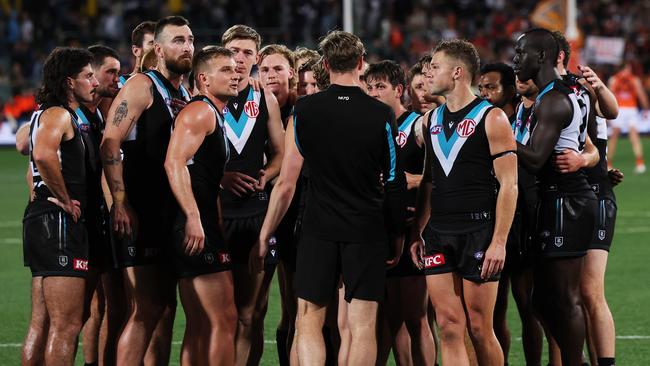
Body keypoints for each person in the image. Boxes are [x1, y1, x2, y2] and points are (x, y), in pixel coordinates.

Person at [250, 30, 407, 366]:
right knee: (362, 324)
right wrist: (396, 233)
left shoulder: (305, 110)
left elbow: (286, 183)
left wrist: (265, 234)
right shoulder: (381, 114)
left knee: (308, 319)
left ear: (324, 64)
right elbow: (394, 179)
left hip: (318, 228)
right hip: (366, 230)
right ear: (361, 63)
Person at [410, 40, 518, 366]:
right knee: (449, 326)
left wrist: (499, 242)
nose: (429, 73)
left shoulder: (492, 117)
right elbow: (430, 181)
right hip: (439, 230)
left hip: (479, 231)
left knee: (480, 327)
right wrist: (419, 231)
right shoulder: (431, 121)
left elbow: (509, 184)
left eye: (435, 67)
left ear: (457, 73)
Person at [100, 15, 193, 365]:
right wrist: (120, 203)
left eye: (190, 40)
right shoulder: (142, 85)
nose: (187, 47)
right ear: (158, 49)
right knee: (145, 308)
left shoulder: (182, 91)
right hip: (143, 210)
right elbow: (110, 143)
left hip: (170, 213)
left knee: (166, 308)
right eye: (178, 41)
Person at [513, 28, 598, 366]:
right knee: (543, 300)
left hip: (566, 200)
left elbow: (534, 159)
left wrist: (497, 133)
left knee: (564, 298)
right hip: (560, 198)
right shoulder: (567, 92)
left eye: (522, 53)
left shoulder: (552, 99)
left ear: (543, 57)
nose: (516, 59)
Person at [164, 46, 240, 366]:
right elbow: (173, 162)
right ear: (204, 79)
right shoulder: (201, 111)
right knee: (224, 320)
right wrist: (194, 217)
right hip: (195, 223)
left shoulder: (212, 112)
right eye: (226, 69)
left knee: (199, 324)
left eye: (236, 68)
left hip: (195, 220)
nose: (235, 74)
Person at [22, 46, 98, 366]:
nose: (93, 81)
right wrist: (65, 199)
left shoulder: (43, 112)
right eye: (88, 76)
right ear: (70, 82)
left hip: (42, 219)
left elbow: (31, 167)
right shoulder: (59, 113)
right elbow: (41, 155)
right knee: (66, 326)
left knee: (42, 323)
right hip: (58, 223)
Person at [553, 30, 621, 366]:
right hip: (567, 199)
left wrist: (599, 86)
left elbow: (612, 111)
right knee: (565, 295)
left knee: (590, 292)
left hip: (591, 195)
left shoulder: (580, 90)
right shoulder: (547, 94)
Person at [221, 24, 285, 366]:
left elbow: (280, 152)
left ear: (256, 58)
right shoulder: (202, 96)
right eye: (233, 51)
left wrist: (266, 176)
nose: (240, 58)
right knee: (223, 314)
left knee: (252, 313)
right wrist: (221, 178)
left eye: (247, 52)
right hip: (216, 216)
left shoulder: (265, 98)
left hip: (257, 214)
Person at [365, 60, 436, 366]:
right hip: (377, 230)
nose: (373, 93)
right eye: (369, 87)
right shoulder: (370, 128)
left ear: (398, 90)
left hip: (410, 231)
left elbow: (441, 173)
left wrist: (413, 180)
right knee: (385, 320)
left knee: (416, 317)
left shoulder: (417, 125)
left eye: (380, 87)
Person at [478, 62, 535, 365]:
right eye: (482, 87)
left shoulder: (526, 117)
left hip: (522, 220)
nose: (485, 93)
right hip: (491, 220)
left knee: (529, 306)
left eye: (492, 87)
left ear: (509, 91)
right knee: (495, 309)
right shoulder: (480, 121)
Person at [76, 45, 120, 366]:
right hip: (86, 220)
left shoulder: (102, 110)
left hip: (100, 218)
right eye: (110, 72)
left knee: (105, 303)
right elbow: (26, 139)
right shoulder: (68, 110)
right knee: (80, 310)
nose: (117, 79)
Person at [258, 43, 302, 365]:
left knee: (300, 306)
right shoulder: (252, 109)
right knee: (271, 305)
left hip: (302, 213)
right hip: (266, 214)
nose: (271, 75)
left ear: (292, 72)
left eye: (277, 68)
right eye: (265, 69)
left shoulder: (305, 109)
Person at [608, 62, 649, 173]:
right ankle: (640, 163)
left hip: (619, 108)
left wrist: (607, 112)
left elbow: (609, 95)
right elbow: (641, 94)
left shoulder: (614, 79)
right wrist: (646, 108)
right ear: (626, 68)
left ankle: (608, 164)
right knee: (633, 135)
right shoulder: (634, 79)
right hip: (630, 109)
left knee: (614, 137)